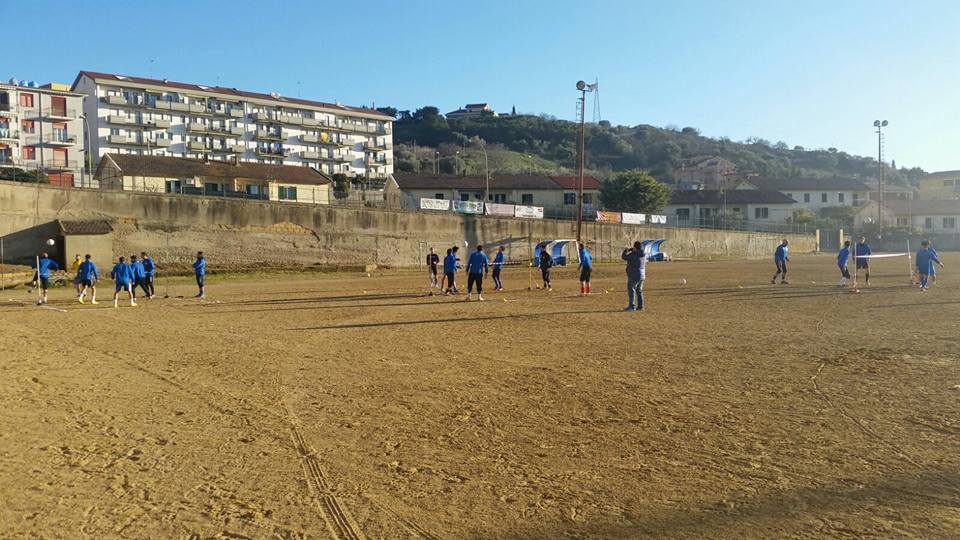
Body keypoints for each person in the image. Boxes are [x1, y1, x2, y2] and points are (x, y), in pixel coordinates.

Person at [621, 241, 647, 311]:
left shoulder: (633, 254)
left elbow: (624, 257)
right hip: (642, 275)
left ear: (635, 247)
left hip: (634, 275)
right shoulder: (643, 254)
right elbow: (637, 253)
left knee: (631, 290)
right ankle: (640, 306)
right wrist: (633, 250)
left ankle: (632, 306)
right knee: (639, 291)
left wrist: (626, 250)